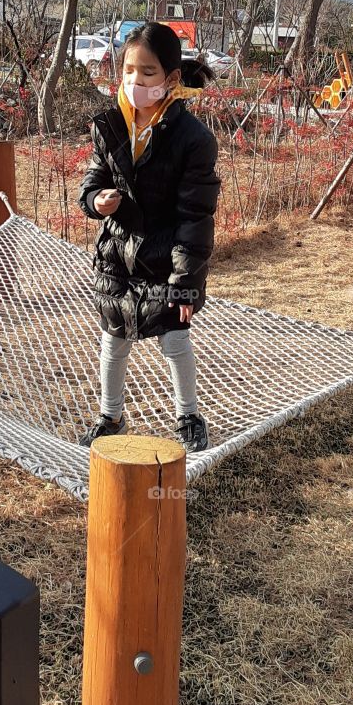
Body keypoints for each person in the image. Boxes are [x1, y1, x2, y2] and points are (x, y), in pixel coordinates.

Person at [78, 22, 220, 454]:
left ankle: (189, 416)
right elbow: (94, 177)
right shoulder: (111, 124)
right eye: (128, 70)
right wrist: (94, 199)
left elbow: (195, 216)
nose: (135, 81)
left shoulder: (194, 139)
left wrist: (184, 283)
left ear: (172, 79)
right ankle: (110, 416)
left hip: (168, 257)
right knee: (113, 339)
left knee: (175, 341)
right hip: (118, 254)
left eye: (147, 73)